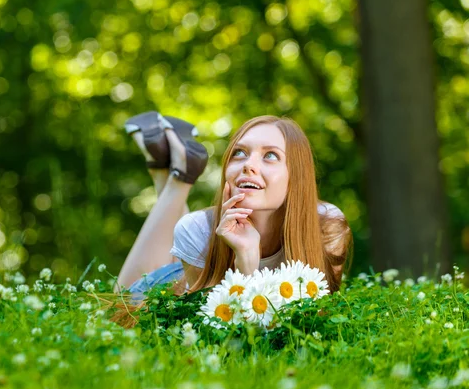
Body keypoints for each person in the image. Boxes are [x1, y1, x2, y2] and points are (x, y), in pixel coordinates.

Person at [116, 113, 352, 299]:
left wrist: (247, 260)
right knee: (120, 303)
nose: (248, 165)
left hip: (197, 264)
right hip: (176, 284)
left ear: (296, 177)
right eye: (239, 153)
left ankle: (172, 170)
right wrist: (245, 262)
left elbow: (320, 310)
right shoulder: (195, 228)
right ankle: (177, 177)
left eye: (270, 156)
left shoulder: (327, 226)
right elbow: (218, 329)